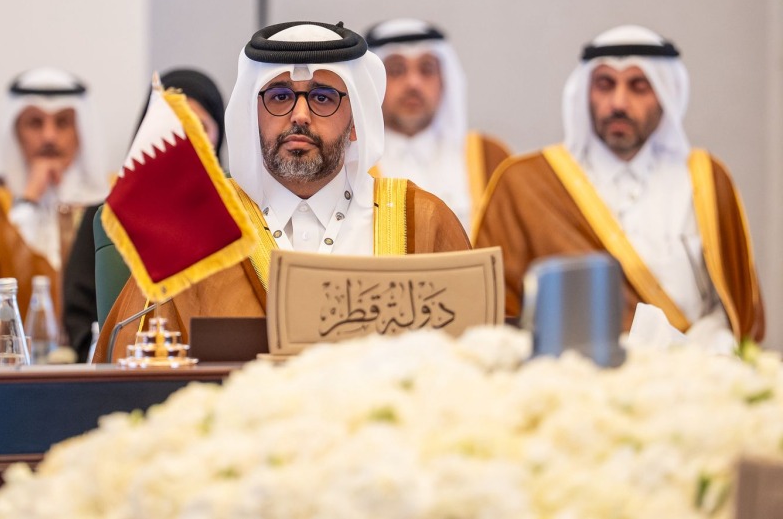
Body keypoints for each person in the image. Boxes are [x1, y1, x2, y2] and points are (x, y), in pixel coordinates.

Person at [96, 21, 471, 360]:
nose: (300, 115)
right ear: (251, 116)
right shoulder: (198, 229)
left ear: (356, 121)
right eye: (279, 97)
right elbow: (136, 374)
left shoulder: (422, 222)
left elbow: (469, 369)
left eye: (323, 97)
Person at [474, 25, 764, 341]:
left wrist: (695, 354)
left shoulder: (706, 179)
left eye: (639, 86)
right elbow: (494, 310)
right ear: (586, 93)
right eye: (605, 85)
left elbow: (733, 311)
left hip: (689, 375)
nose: (619, 103)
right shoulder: (526, 184)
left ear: (666, 94)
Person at [61, 68, 226, 361]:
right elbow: (80, 318)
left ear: (218, 138)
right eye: (174, 125)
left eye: (198, 126)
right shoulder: (105, 218)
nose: (184, 139)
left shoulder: (235, 221)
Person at [0, 67, 109, 322]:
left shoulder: (112, 206)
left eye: (62, 122)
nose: (49, 136)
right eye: (35, 123)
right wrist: (28, 202)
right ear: (15, 131)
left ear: (81, 130)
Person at [364, 19, 511, 230]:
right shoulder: (351, 161)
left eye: (426, 69)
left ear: (445, 81)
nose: (413, 83)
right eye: (397, 70)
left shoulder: (489, 156)